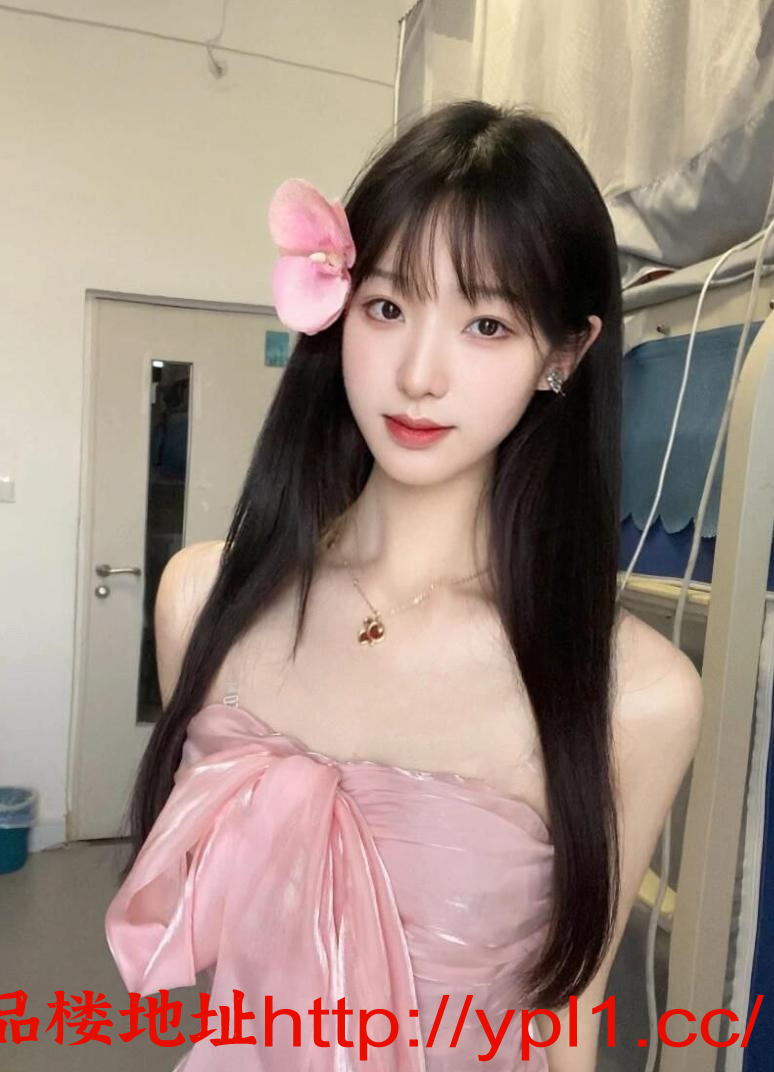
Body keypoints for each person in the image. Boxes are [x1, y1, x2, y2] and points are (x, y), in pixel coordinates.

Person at [105, 99, 703, 1071]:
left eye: (486, 323)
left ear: (563, 353)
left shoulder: (634, 693)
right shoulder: (202, 604)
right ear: (337, 306)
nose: (420, 374)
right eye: (388, 307)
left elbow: (566, 1011)